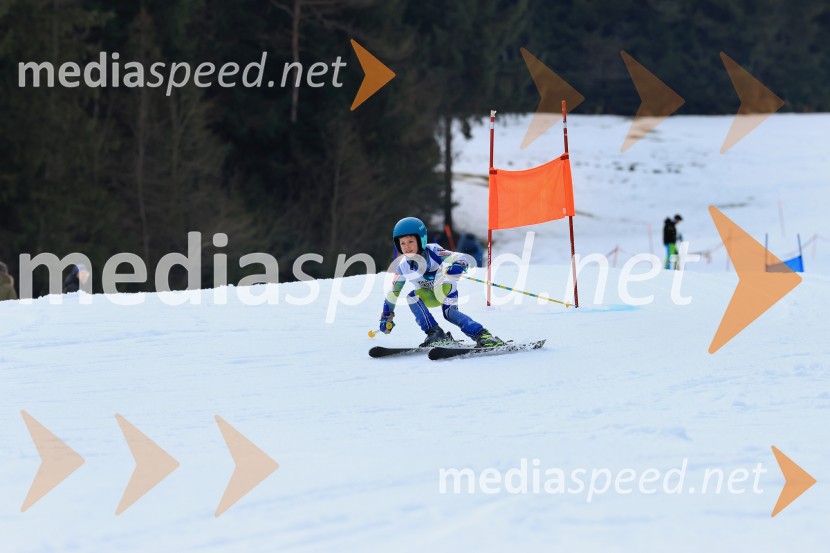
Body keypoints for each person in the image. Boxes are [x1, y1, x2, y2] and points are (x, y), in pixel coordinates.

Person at [379, 217, 504, 347]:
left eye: (410, 241)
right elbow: (393, 293)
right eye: (402, 243)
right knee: (412, 297)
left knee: (449, 314)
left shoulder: (434, 251)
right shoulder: (403, 266)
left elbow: (462, 257)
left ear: (421, 240)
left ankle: (482, 335)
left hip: (445, 288)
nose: (407, 247)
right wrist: (386, 316)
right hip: (428, 294)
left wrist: (458, 265)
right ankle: (435, 333)